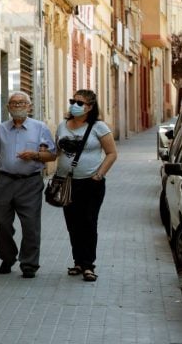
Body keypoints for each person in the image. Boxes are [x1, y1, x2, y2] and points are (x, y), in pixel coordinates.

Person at [0, 91, 56, 278]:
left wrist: (34, 155)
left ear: (29, 106)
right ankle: (7, 256)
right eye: (13, 103)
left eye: (21, 103)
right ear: (8, 108)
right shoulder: (1, 129)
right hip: (4, 180)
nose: (17, 106)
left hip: (30, 182)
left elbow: (52, 154)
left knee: (30, 224)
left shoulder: (40, 128)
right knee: (0, 221)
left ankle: (29, 264)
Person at [56, 89, 117, 282]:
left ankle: (89, 265)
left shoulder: (98, 127)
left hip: (91, 184)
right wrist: (37, 155)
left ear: (90, 107)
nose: (75, 105)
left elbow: (112, 153)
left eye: (80, 103)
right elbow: (55, 152)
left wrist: (99, 175)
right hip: (67, 183)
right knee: (72, 223)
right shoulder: (62, 126)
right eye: (73, 100)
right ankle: (78, 262)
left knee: (89, 222)